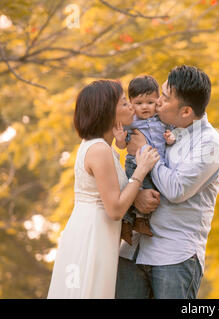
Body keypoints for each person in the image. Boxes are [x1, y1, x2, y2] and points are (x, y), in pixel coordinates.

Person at [116, 65, 219, 299]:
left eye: (164, 99)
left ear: (186, 111)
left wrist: (143, 150)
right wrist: (135, 194)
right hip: (132, 250)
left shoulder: (209, 144)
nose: (156, 103)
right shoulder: (155, 125)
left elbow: (176, 189)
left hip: (174, 257)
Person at [47, 80, 160, 298]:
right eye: (125, 103)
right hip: (91, 237)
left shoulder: (103, 147)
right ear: (107, 111)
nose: (131, 108)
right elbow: (115, 208)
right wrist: (142, 170)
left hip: (101, 235)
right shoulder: (99, 150)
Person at [114, 75, 176, 245]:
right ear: (131, 103)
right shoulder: (131, 122)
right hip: (135, 162)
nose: (145, 107)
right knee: (133, 188)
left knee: (150, 190)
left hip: (155, 163)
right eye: (139, 103)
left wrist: (170, 137)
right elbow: (122, 145)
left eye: (150, 102)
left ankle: (141, 221)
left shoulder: (162, 120)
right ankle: (126, 224)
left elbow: (172, 133)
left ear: (157, 101)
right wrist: (120, 139)